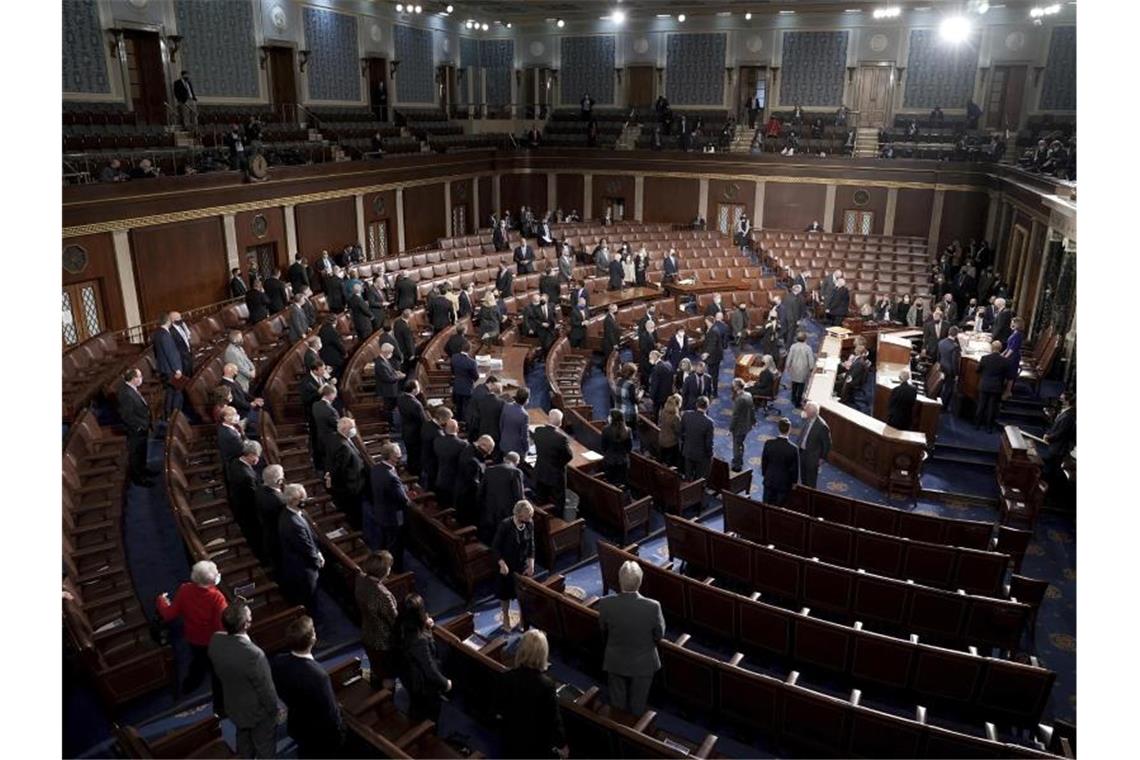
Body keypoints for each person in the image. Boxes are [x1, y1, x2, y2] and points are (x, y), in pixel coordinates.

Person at [208, 602, 279, 759]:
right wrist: (274, 711)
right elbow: (266, 690)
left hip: (233, 706)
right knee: (265, 748)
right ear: (246, 624)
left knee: (243, 740)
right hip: (257, 713)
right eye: (250, 615)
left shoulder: (215, 641)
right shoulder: (254, 655)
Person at [270, 616, 344, 759]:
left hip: (298, 724)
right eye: (314, 631)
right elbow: (331, 716)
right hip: (321, 736)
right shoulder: (319, 676)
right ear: (313, 640)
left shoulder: (278, 661)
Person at [598, 560, 665, 717]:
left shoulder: (605, 603)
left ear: (620, 580)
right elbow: (659, 634)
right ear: (640, 582)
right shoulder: (653, 606)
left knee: (617, 707)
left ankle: (617, 727)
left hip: (616, 660)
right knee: (637, 706)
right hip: (643, 663)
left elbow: (602, 628)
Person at [156, 560, 227, 700]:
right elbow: (221, 627)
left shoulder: (184, 589)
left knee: (198, 662)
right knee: (217, 669)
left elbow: (169, 614)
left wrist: (161, 601)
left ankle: (189, 687)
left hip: (193, 638)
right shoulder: (217, 598)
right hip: (213, 641)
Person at [502, 629, 568, 759]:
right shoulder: (547, 685)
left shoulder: (506, 677)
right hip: (537, 749)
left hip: (511, 744)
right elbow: (554, 721)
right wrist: (563, 746)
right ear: (543, 654)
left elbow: (498, 710)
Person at [396, 593, 451, 724]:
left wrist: (426, 626)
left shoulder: (400, 625)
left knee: (416, 703)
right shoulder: (419, 641)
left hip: (407, 675)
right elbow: (429, 670)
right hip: (422, 684)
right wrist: (445, 683)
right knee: (429, 713)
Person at [278, 483, 324, 610]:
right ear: (293, 501)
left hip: (302, 562)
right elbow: (306, 548)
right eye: (302, 499)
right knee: (311, 599)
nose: (305, 501)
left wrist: (318, 552)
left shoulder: (290, 513)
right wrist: (317, 561)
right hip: (304, 568)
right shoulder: (294, 523)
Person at [493, 500, 536, 631]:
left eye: (531, 515)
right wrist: (502, 564)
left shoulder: (529, 523)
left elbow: (531, 545)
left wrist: (531, 565)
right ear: (519, 514)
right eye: (528, 515)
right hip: (506, 565)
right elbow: (495, 548)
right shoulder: (505, 525)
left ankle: (523, 618)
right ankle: (506, 617)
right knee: (505, 594)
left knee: (522, 595)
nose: (530, 517)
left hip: (521, 565)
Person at [371, 443, 411, 571]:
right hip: (393, 517)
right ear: (391, 456)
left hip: (379, 512)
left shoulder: (376, 468)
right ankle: (396, 570)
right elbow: (403, 500)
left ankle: (380, 565)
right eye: (398, 454)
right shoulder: (391, 476)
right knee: (395, 546)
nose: (400, 456)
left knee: (383, 541)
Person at [326, 417, 368, 529]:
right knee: (355, 513)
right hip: (352, 486)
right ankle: (358, 530)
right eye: (352, 428)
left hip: (352, 484)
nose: (354, 430)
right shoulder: (343, 447)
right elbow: (340, 469)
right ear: (344, 430)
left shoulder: (338, 438)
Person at [117, 368, 153, 487]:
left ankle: (144, 470)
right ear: (133, 379)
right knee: (136, 454)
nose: (141, 378)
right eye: (139, 376)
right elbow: (126, 416)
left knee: (142, 451)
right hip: (136, 430)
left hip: (142, 426)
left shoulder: (131, 388)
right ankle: (139, 478)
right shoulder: (126, 394)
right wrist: (139, 427)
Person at [533, 409, 573, 517]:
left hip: (540, 470)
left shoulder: (538, 431)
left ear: (548, 419)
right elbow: (569, 456)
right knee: (558, 501)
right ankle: (559, 519)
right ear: (560, 423)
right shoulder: (561, 438)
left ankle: (542, 517)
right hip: (555, 475)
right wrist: (559, 464)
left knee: (541, 498)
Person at [481, 451, 526, 537]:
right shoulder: (516, 472)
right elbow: (519, 497)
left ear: (505, 459)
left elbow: (481, 492)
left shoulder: (489, 470)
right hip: (507, 514)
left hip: (490, 512)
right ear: (516, 462)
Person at [153, 313, 185, 419]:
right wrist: (177, 369)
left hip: (164, 368)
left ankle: (169, 416)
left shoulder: (157, 333)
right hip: (171, 370)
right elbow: (170, 353)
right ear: (168, 321)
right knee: (176, 392)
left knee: (170, 393)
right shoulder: (165, 335)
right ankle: (175, 416)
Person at [761, 418, 799, 506]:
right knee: (779, 507)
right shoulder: (793, 449)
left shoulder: (768, 443)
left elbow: (764, 462)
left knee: (765, 505)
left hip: (769, 480)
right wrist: (794, 483)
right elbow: (794, 469)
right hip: (784, 483)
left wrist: (765, 474)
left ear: (778, 428)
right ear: (789, 430)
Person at [1040, 391, 1076, 478]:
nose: (1059, 401)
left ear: (1067, 401)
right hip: (1055, 445)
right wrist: (1048, 434)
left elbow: (1061, 431)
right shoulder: (1064, 411)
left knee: (1053, 468)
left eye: (1061, 399)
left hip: (1059, 447)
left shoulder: (1069, 415)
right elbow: (1055, 426)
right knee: (1052, 466)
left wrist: (1049, 437)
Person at [797, 401, 832, 488]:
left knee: (811, 481)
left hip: (812, 457)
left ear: (812, 413)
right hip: (802, 453)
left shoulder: (822, 426)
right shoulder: (807, 418)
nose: (804, 411)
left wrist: (822, 458)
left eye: (806, 410)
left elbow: (827, 444)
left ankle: (809, 495)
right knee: (803, 477)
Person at [680, 396, 714, 482]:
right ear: (707, 407)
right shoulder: (709, 422)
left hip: (687, 451)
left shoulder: (686, 415)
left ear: (696, 405)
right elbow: (708, 444)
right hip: (701, 456)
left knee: (687, 476)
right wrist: (710, 455)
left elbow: (681, 433)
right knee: (698, 479)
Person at [975, 340, 1007, 433]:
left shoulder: (984, 358)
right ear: (1001, 349)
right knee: (991, 407)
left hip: (984, 385)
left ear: (991, 348)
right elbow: (1006, 375)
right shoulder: (1004, 361)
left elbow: (977, 370)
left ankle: (977, 425)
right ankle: (989, 427)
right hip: (996, 387)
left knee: (981, 405)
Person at [599, 408, 634, 488]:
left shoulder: (606, 430)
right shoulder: (628, 431)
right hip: (623, 462)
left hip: (610, 461)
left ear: (611, 419)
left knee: (611, 485)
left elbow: (603, 447)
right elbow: (629, 448)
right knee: (622, 484)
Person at [729, 378, 756, 472]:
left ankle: (737, 465)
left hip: (739, 427)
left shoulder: (739, 399)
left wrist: (730, 428)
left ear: (736, 387)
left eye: (733, 385)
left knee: (736, 446)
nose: (732, 387)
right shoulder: (748, 395)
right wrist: (753, 421)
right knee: (740, 444)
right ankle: (739, 460)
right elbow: (752, 409)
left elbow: (735, 416)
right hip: (746, 425)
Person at [499, 388, 531, 462]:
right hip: (516, 449)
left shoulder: (506, 406)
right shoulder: (524, 415)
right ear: (526, 400)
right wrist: (527, 449)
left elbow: (501, 424)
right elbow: (524, 436)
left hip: (504, 444)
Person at [785, 332, 815, 408]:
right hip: (803, 369)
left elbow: (790, 357)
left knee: (794, 383)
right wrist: (812, 368)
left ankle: (793, 398)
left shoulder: (793, 346)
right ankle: (798, 402)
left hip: (794, 368)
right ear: (805, 339)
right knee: (801, 386)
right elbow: (811, 359)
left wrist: (788, 365)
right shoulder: (808, 348)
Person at [450, 347, 479, 421]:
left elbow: (452, 371)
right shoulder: (471, 362)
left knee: (458, 406)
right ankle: (465, 422)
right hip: (467, 388)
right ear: (469, 350)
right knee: (466, 407)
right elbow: (476, 377)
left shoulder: (454, 357)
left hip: (456, 385)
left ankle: (458, 420)